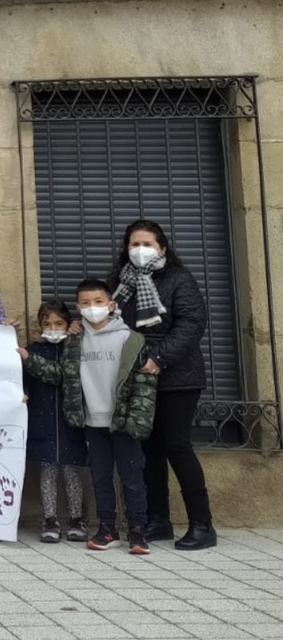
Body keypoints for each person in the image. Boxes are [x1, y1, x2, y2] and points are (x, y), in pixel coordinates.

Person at [20, 279, 157, 554]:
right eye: (85, 303)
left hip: (124, 420)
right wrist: (28, 358)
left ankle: (138, 531)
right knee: (101, 477)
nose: (92, 308)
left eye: (98, 302)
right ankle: (107, 529)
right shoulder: (75, 340)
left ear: (111, 305)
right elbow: (61, 375)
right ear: (78, 308)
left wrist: (138, 420)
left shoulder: (130, 339)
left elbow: (144, 384)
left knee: (131, 475)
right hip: (91, 422)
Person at [110, 219, 215, 550]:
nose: (139, 250)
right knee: (148, 451)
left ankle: (203, 525)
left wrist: (158, 358)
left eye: (147, 244)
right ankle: (158, 521)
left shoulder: (178, 279)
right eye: (133, 244)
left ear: (162, 248)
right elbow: (111, 322)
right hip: (138, 378)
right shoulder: (122, 283)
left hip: (176, 377)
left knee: (177, 446)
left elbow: (191, 324)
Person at [22, 300, 88, 544]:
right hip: (42, 421)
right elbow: (24, 379)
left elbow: (64, 376)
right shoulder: (35, 350)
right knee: (47, 472)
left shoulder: (75, 348)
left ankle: (76, 518)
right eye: (47, 323)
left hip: (69, 422)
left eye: (59, 323)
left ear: (69, 324)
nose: (53, 328)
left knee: (72, 472)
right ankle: (49, 519)